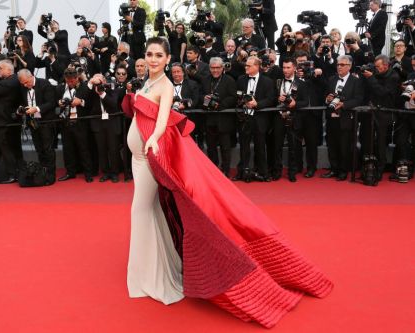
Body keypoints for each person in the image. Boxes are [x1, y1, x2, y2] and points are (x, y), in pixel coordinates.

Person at [122, 37, 332, 328]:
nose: (154, 59)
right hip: (137, 158)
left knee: (140, 211)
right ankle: (156, 268)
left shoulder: (165, 86)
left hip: (149, 158)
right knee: (152, 212)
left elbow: (161, 122)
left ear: (169, 59)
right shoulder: (145, 83)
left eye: (159, 55)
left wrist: (154, 141)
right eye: (149, 54)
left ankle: (151, 276)